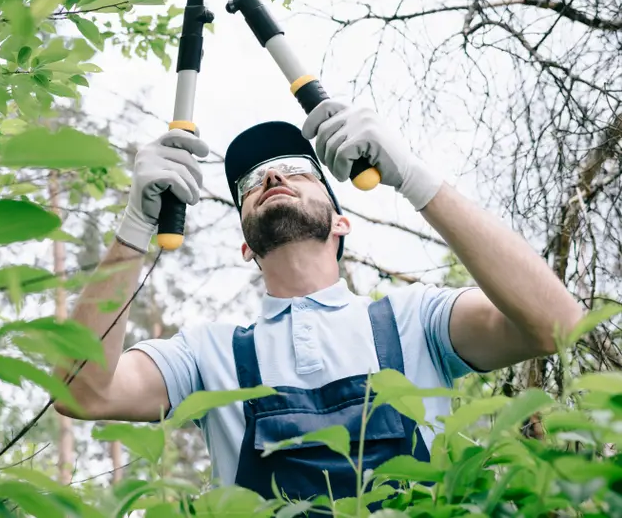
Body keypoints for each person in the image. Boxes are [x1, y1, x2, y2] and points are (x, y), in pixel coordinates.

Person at [53, 98, 582, 504]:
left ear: (341, 221)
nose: (273, 176)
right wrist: (134, 227)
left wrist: (414, 176)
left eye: (296, 169)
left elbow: (556, 324)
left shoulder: (415, 320)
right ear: (245, 245)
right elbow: (81, 393)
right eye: (253, 182)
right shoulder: (203, 355)